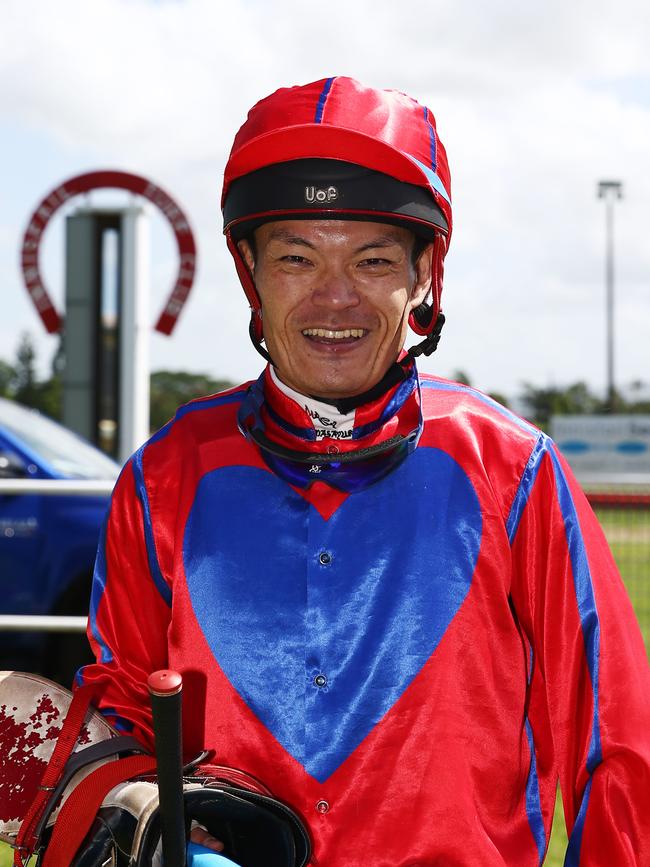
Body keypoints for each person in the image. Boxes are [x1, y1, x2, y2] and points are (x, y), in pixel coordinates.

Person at [77, 76, 650, 865]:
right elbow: (119, 719)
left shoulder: (517, 472)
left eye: (374, 258)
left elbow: (614, 741)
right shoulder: (162, 477)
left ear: (424, 275)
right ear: (251, 272)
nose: (335, 297)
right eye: (297, 257)